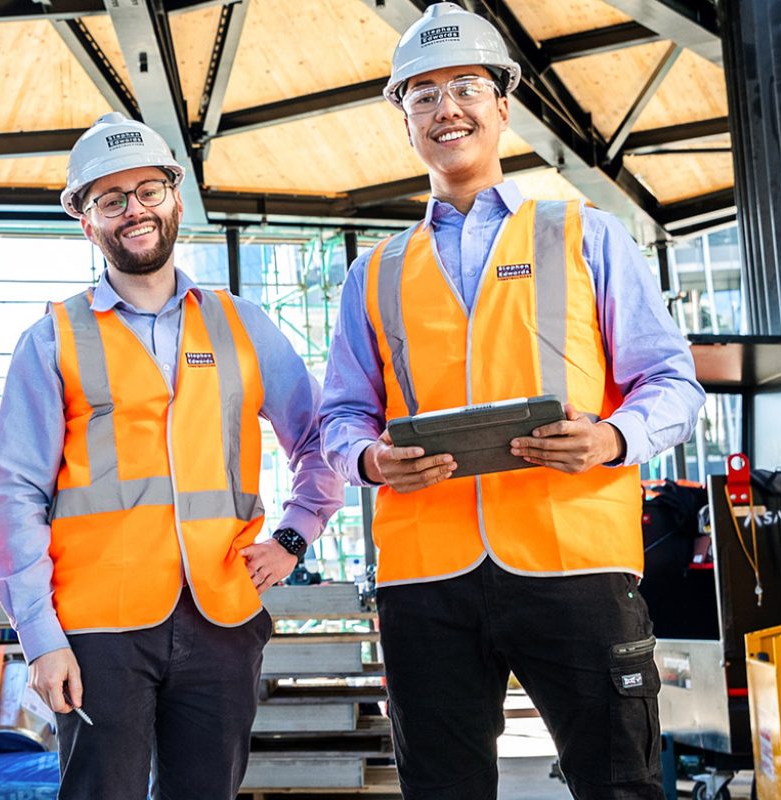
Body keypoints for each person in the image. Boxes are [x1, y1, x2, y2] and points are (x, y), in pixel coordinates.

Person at [315, 5, 706, 797]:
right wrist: (367, 457)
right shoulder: (376, 272)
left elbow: (672, 382)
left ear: (502, 103)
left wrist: (613, 438)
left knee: (618, 783)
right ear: (404, 118)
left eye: (464, 86)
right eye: (421, 94)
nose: (445, 108)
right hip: (425, 576)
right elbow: (339, 415)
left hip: (576, 559)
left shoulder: (586, 235)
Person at [0, 113, 346, 798]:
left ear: (175, 199)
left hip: (221, 618)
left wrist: (296, 535)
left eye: (148, 190)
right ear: (86, 222)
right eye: (110, 199)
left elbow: (323, 437)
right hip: (97, 626)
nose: (134, 210)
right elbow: (10, 496)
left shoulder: (243, 323)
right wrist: (41, 636)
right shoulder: (53, 338)